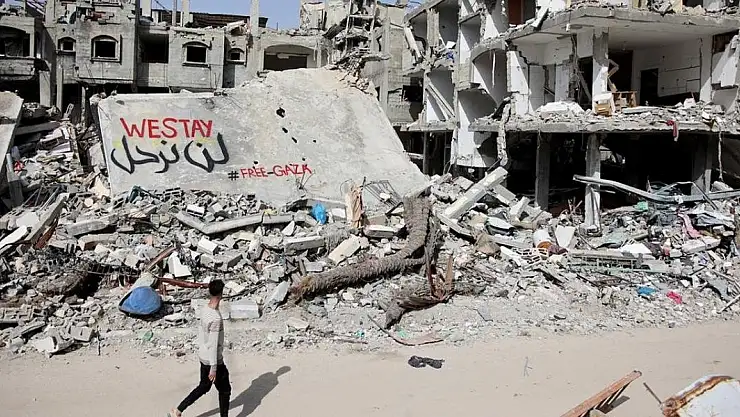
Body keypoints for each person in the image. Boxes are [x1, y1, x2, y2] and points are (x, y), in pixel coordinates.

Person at [170, 279, 231, 417]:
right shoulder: (215, 318)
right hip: (213, 360)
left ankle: (178, 410)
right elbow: (213, 344)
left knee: (204, 386)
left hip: (203, 356)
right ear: (221, 294)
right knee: (225, 390)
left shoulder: (205, 309)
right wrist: (214, 368)